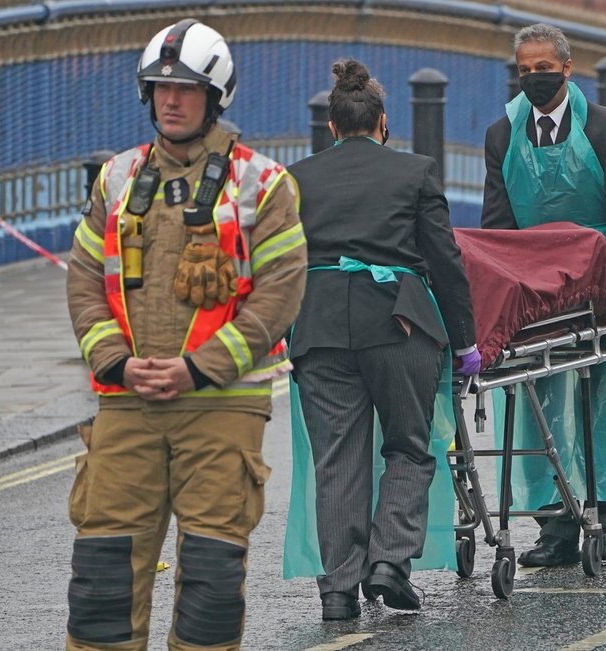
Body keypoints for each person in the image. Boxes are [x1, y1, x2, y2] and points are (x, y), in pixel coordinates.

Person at [65, 19, 306, 650]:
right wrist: (115, 363)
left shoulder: (264, 184)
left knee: (210, 580)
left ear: (215, 97)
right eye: (159, 89)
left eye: (187, 90)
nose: (171, 100)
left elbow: (282, 294)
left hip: (222, 407)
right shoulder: (116, 179)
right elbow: (84, 280)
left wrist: (200, 367)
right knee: (101, 580)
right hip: (127, 404)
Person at [282, 59, 480, 620]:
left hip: (318, 328)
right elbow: (445, 261)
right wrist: (465, 340)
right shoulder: (415, 172)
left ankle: (339, 589)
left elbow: (274, 263)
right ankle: (390, 563)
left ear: (331, 126)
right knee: (411, 447)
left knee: (338, 458)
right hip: (398, 323)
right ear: (383, 122)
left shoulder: (296, 178)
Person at [481, 23, 606, 567]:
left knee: (605, 396)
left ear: (568, 69)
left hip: (599, 286)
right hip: (535, 289)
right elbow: (496, 231)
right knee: (537, 401)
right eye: (524, 71)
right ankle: (554, 527)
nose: (534, 78)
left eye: (543, 69)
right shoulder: (502, 136)